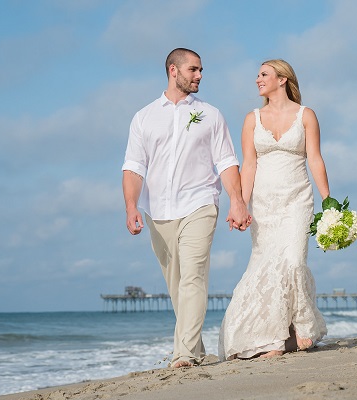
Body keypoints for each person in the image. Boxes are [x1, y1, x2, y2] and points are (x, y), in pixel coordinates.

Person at [122, 48, 251, 368]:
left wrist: (237, 201)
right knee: (177, 286)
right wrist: (131, 206)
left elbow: (227, 162)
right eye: (193, 69)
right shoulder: (143, 117)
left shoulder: (211, 115)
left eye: (201, 70)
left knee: (193, 276)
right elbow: (134, 167)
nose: (200, 75)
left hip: (200, 203)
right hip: (158, 211)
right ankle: (196, 349)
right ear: (173, 70)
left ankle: (184, 354)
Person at [218, 59, 330, 360]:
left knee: (293, 261)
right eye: (257, 75)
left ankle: (302, 328)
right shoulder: (252, 119)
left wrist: (328, 200)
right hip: (264, 204)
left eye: (264, 74)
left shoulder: (306, 115)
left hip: (297, 199)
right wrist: (240, 204)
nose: (258, 79)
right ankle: (275, 339)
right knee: (265, 266)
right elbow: (249, 165)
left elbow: (315, 158)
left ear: (282, 79)